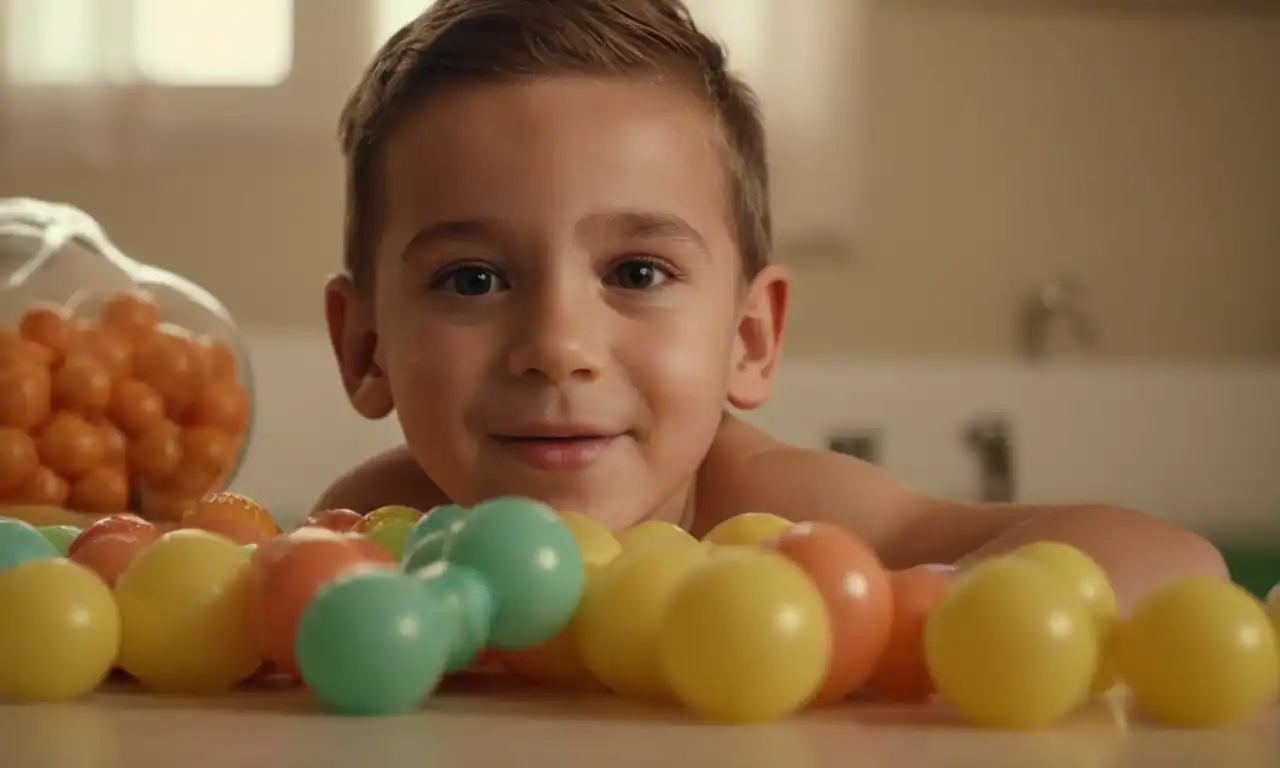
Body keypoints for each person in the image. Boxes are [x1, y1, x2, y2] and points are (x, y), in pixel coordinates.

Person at [315, 0, 1226, 608]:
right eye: (473, 279)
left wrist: (908, 625)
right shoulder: (379, 529)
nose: (557, 346)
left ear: (749, 338)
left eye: (636, 273)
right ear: (367, 350)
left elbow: (1171, 562)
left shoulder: (774, 520)